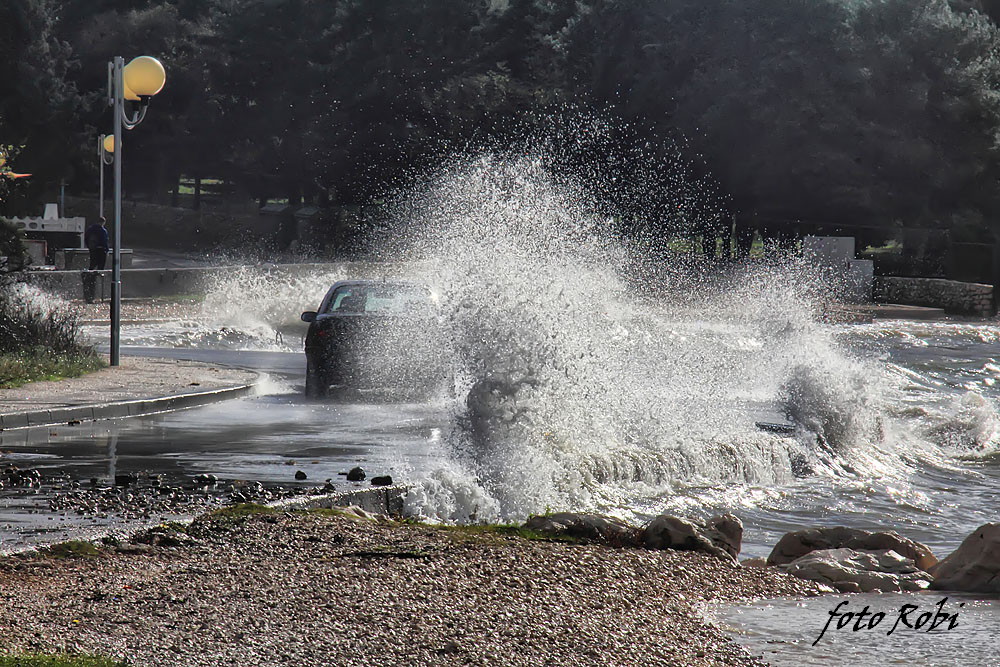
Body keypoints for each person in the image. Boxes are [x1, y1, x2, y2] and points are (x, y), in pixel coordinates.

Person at [82, 217, 110, 303]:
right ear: (102, 222)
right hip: (101, 250)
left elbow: (86, 238)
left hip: (93, 250)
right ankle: (98, 272)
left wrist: (90, 247)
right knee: (100, 267)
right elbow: (105, 241)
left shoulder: (90, 229)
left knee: (92, 265)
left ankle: (92, 272)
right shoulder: (102, 230)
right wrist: (107, 250)